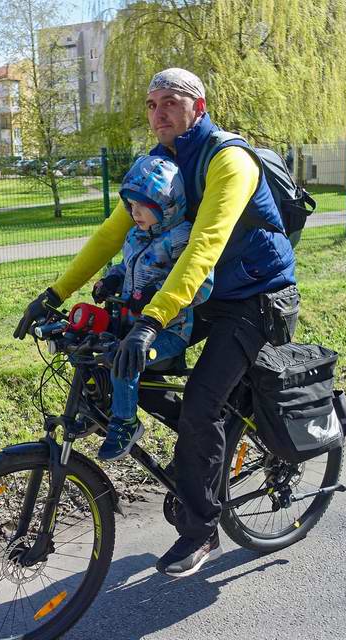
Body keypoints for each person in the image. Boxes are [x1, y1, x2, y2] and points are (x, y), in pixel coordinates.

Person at [15, 68, 300, 577]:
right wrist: (54, 294)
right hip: (194, 292)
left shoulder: (229, 160)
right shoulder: (160, 164)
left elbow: (204, 246)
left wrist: (151, 320)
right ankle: (200, 450)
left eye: (171, 101)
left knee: (199, 404)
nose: (159, 112)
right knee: (117, 358)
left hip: (254, 295)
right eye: (151, 104)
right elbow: (111, 232)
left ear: (200, 106)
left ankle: (201, 528)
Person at [92, 155, 212, 461]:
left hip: (169, 331)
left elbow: (201, 286)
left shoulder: (180, 238)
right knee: (91, 346)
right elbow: (127, 266)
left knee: (126, 359)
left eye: (143, 206)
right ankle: (101, 406)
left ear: (167, 205)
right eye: (131, 205)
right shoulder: (135, 235)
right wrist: (111, 280)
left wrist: (155, 297)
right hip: (134, 327)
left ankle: (126, 423)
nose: (135, 212)